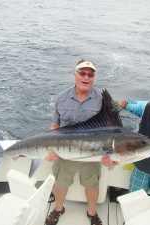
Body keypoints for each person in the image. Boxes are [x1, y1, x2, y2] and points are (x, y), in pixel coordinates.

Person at [45, 59, 114, 225]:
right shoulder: (61, 98)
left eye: (90, 74)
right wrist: (50, 148)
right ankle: (58, 209)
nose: (86, 77)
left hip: (92, 153)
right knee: (61, 183)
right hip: (64, 152)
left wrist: (109, 154)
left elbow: (112, 131)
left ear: (94, 78)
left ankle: (92, 212)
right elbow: (55, 124)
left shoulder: (102, 100)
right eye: (82, 73)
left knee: (92, 185)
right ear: (75, 75)